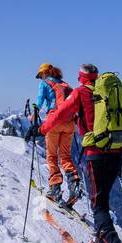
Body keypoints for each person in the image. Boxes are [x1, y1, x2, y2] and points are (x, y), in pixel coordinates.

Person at [41, 64, 122, 243]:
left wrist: (42, 129)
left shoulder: (81, 92)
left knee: (98, 206)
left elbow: (61, 114)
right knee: (102, 200)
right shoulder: (109, 92)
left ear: (81, 77)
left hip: (96, 154)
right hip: (117, 152)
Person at [34, 63, 82, 205]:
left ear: (45, 73)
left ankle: (55, 188)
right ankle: (74, 184)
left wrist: (34, 113)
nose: (40, 77)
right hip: (69, 123)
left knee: (52, 156)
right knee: (66, 156)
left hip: (54, 121)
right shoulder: (66, 85)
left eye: (41, 74)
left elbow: (39, 100)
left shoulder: (44, 84)